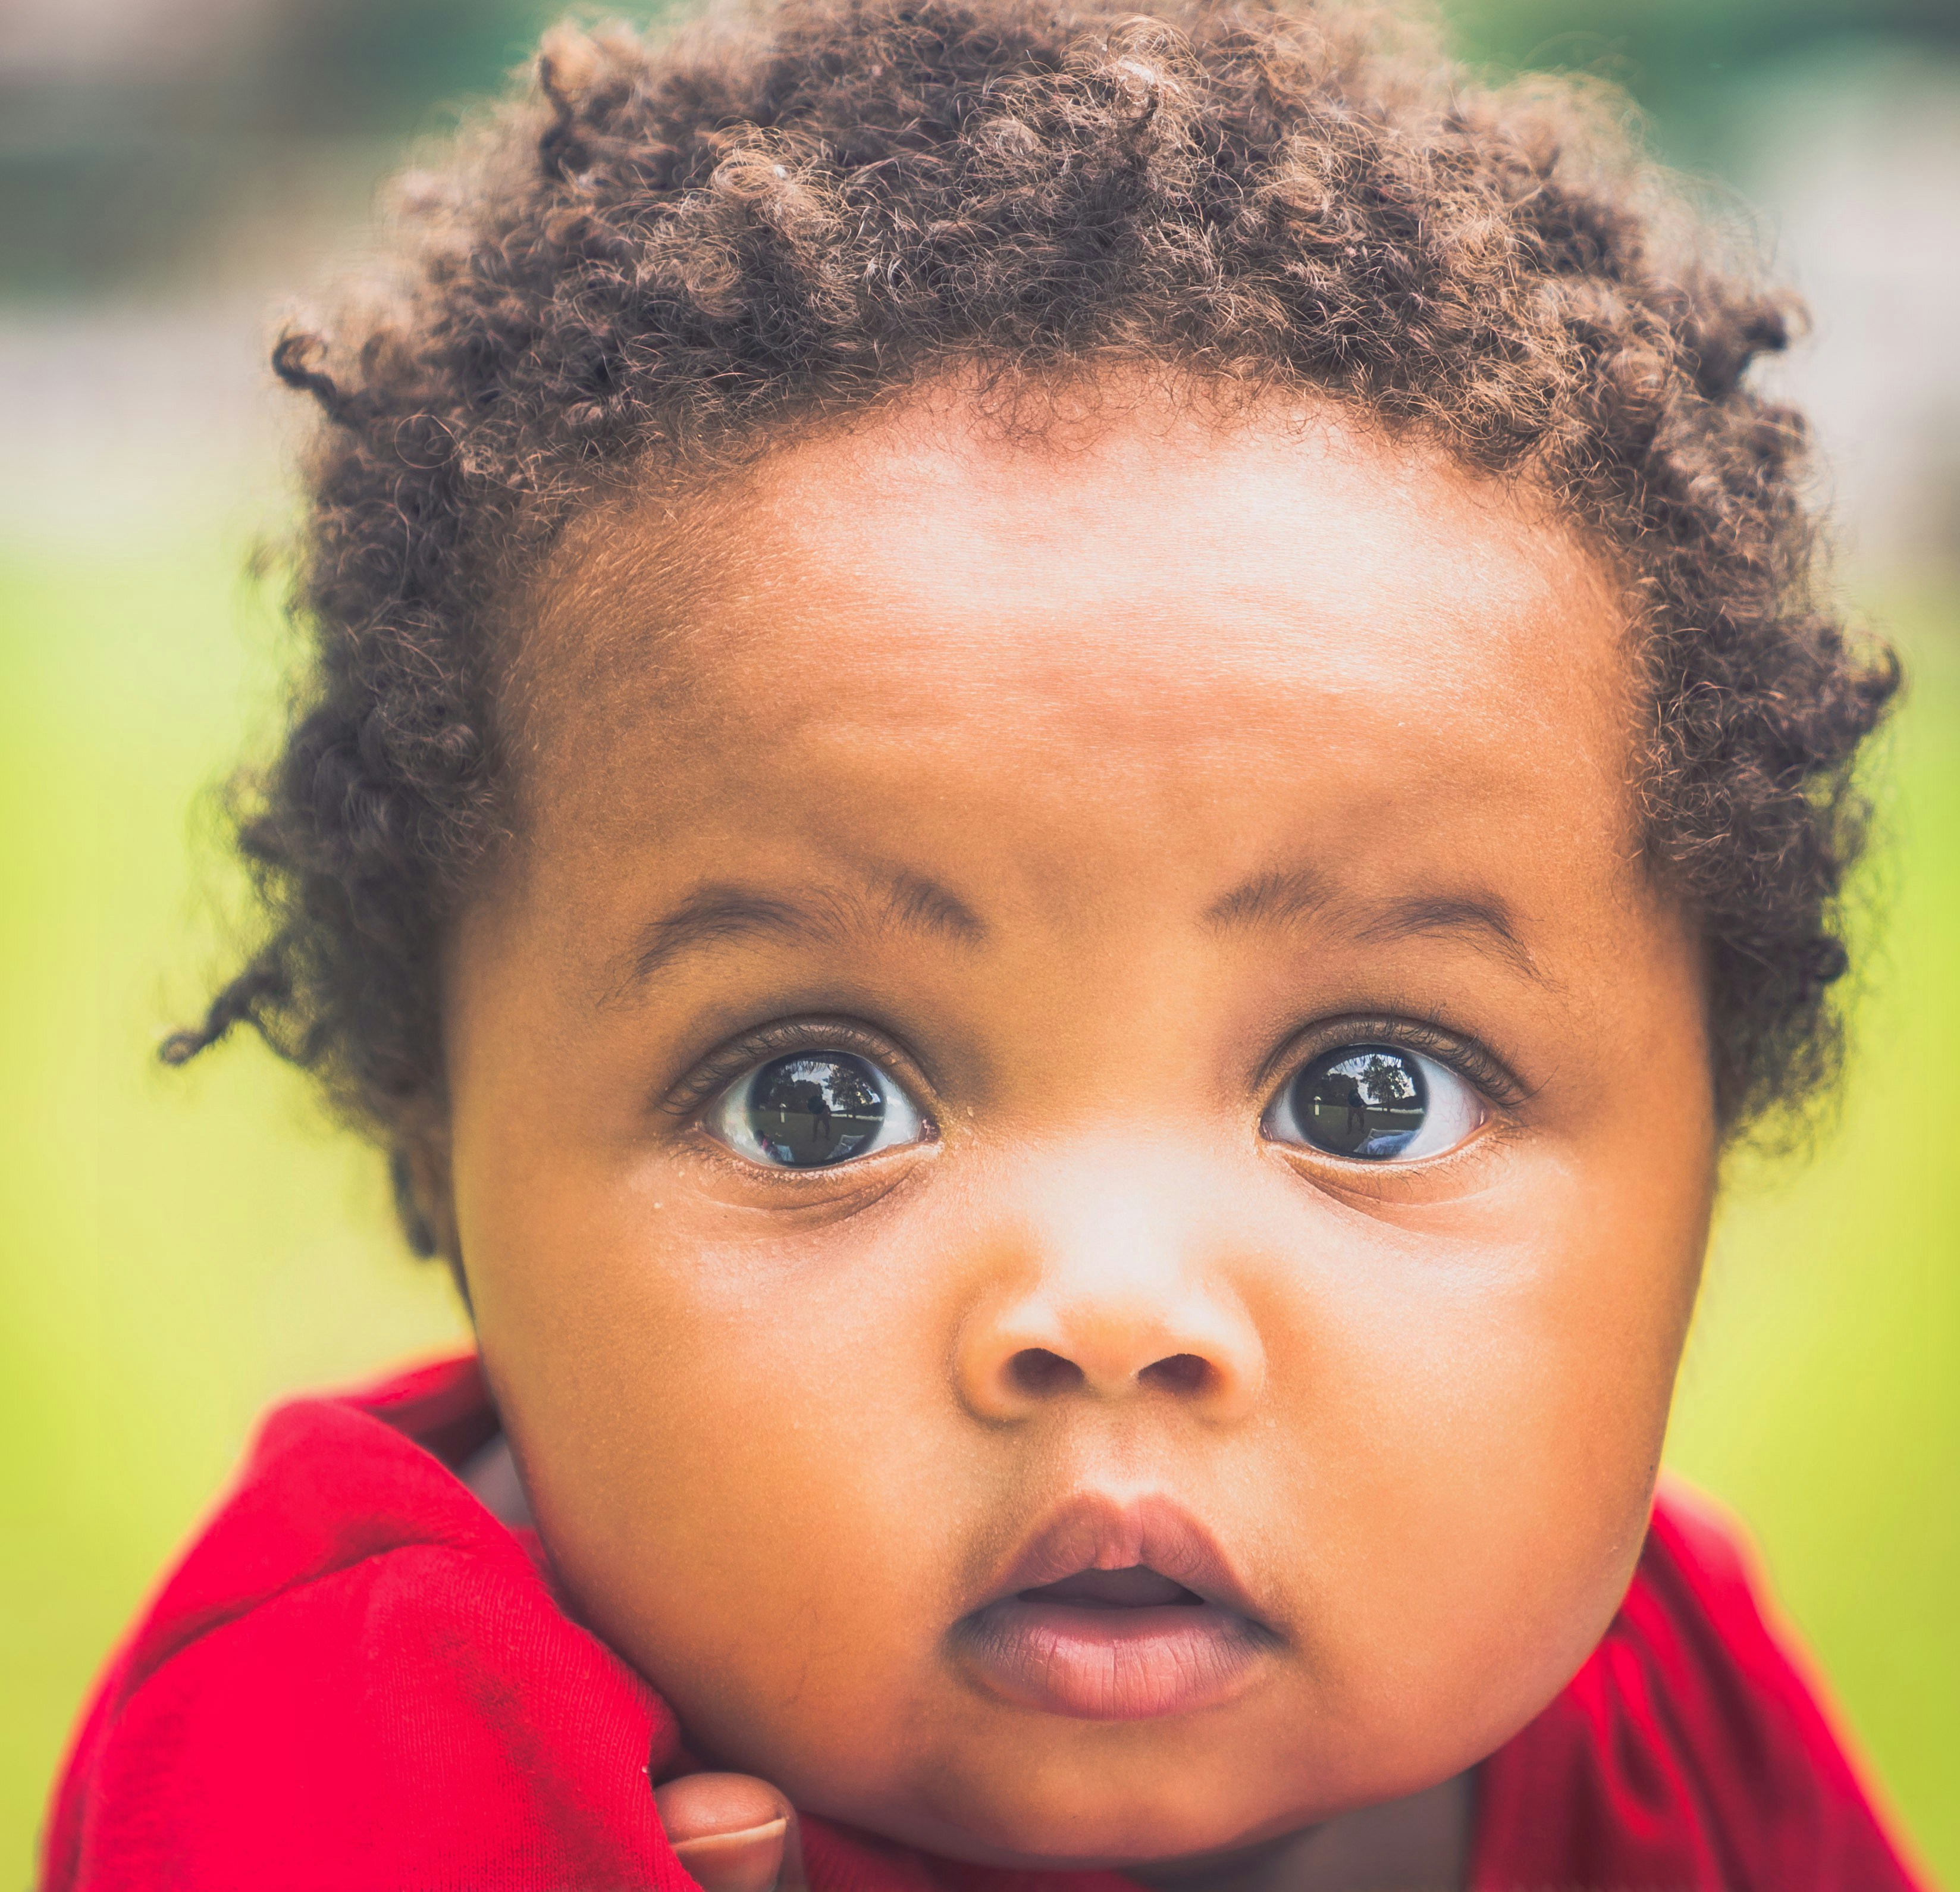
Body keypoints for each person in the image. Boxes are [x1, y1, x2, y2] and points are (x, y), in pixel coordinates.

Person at [39, 0, 1930, 1885]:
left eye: (1373, 1093)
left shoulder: (1679, 1728)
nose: (1111, 1310)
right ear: (444, 1144)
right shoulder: (336, 1767)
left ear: (1707, 1134)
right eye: (811, 1098)